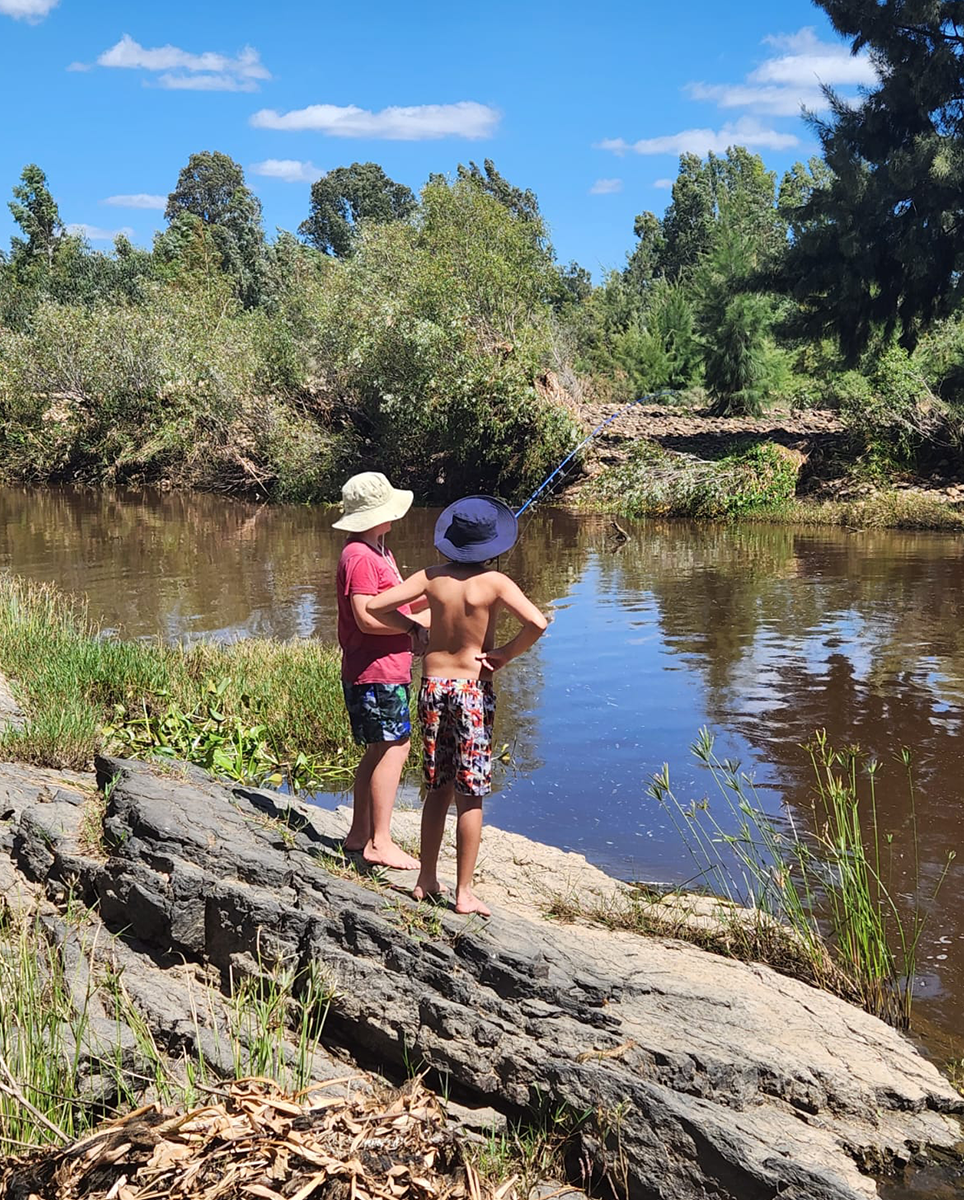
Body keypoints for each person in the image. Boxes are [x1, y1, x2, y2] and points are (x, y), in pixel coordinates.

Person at [366, 495, 547, 915]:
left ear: (450, 542)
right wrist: (503, 654)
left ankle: (426, 879)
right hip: (471, 691)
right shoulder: (495, 584)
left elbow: (376, 605)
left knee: (438, 787)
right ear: (492, 547)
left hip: (433, 688)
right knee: (472, 794)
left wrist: (414, 628)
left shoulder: (431, 578)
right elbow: (537, 623)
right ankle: (463, 892)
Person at [333, 471, 428, 870]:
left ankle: (360, 833)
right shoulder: (358, 556)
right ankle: (380, 841)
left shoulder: (380, 551)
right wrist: (411, 626)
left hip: (386, 668)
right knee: (395, 747)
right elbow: (364, 618)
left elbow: (392, 605)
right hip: (374, 671)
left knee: (379, 748)